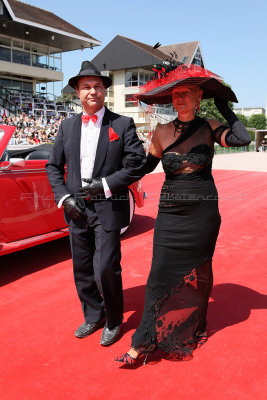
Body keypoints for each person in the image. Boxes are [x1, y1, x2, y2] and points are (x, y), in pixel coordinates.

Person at [115, 64, 251, 364]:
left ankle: (196, 324)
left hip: (203, 212)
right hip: (171, 214)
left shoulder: (210, 127)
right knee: (158, 274)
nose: (180, 99)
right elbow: (144, 168)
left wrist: (224, 109)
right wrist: (111, 176)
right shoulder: (161, 132)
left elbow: (243, 138)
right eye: (176, 94)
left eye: (186, 93)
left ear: (199, 96)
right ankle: (144, 339)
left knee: (202, 271)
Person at [46, 61, 146, 346]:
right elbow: (53, 167)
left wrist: (105, 185)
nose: (93, 91)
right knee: (82, 267)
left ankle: (114, 320)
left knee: (105, 267)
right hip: (76, 208)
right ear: (77, 92)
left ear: (105, 91)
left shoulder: (122, 123)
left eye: (98, 86)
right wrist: (65, 198)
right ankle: (94, 315)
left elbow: (136, 164)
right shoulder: (67, 126)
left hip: (108, 205)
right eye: (86, 87)